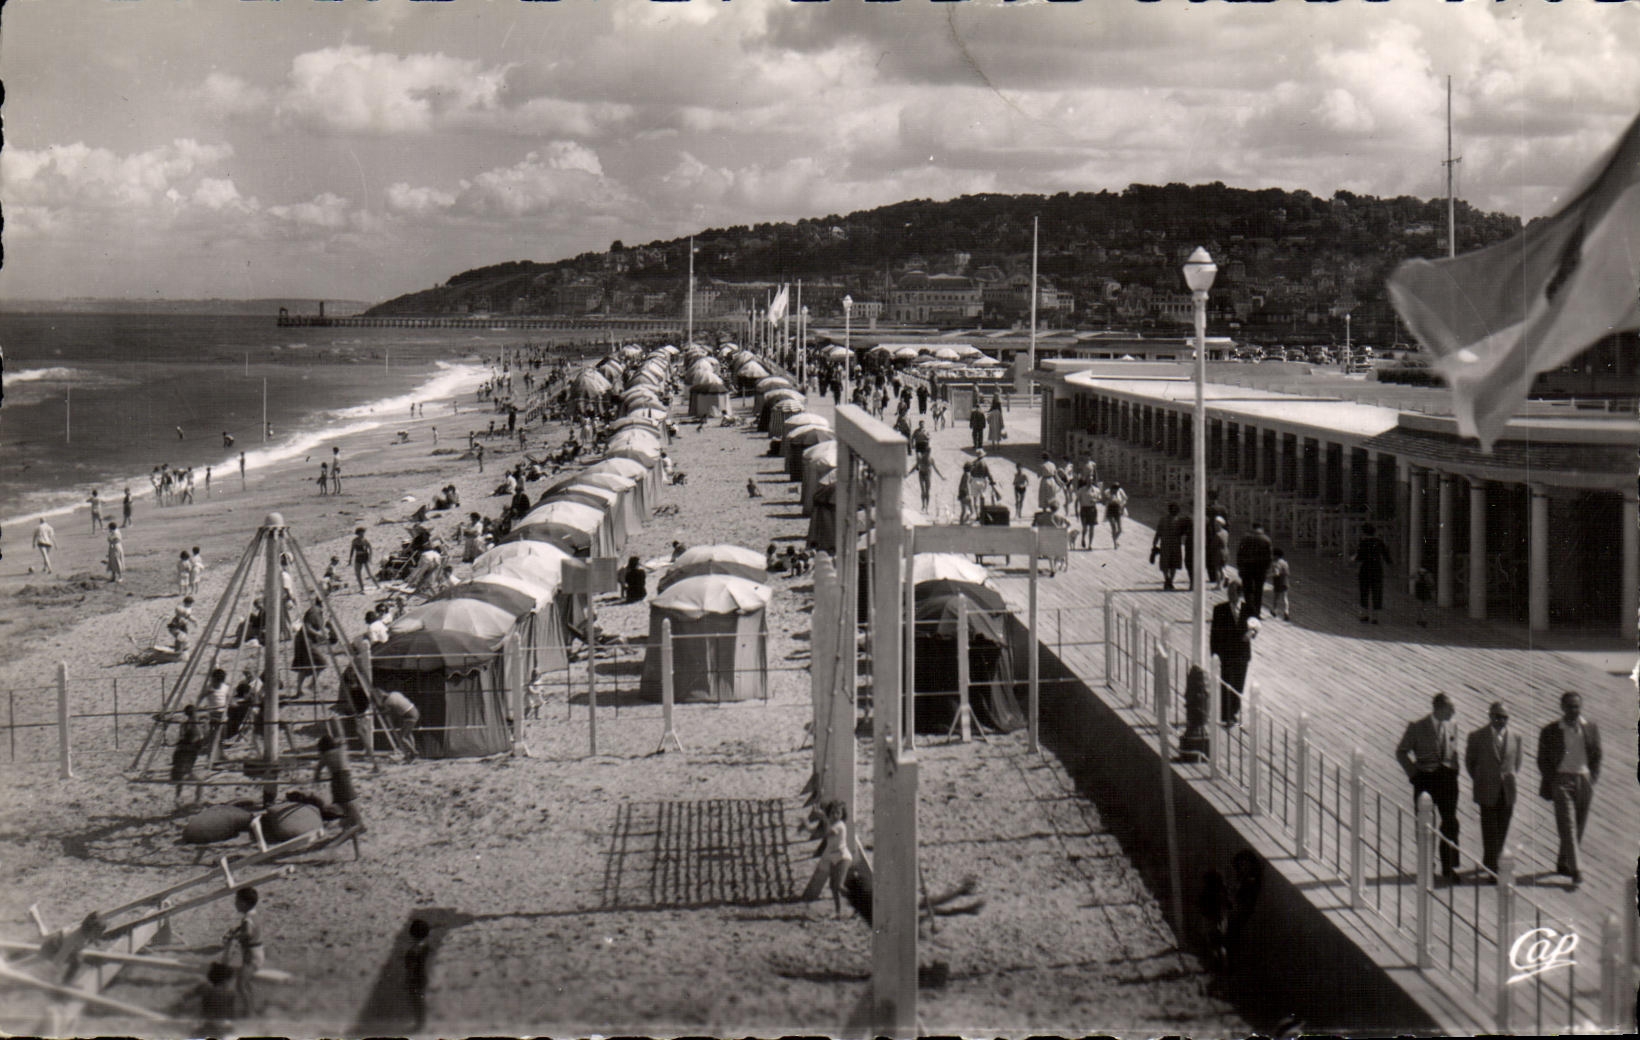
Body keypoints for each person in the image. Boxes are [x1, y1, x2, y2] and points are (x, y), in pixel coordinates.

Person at [1535, 690, 1601, 887]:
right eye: (1570, 706)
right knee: (1567, 824)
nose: (1574, 710)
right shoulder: (1550, 731)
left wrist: (1592, 778)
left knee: (1578, 825)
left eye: (1577, 706)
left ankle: (1564, 863)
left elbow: (1597, 755)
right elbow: (1542, 759)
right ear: (1562, 707)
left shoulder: (1590, 728)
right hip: (1561, 780)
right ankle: (1577, 870)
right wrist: (1553, 779)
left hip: (1584, 779)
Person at [1395, 692, 1462, 883]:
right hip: (1425, 778)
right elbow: (1401, 752)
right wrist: (1414, 775)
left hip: (1447, 779)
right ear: (1438, 708)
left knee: (1450, 822)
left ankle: (1449, 867)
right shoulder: (1417, 727)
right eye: (1450, 708)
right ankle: (1426, 864)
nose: (1454, 712)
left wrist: (1455, 770)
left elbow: (1453, 750)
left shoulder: (1452, 725)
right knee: (1424, 823)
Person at [1465, 700, 1523, 879]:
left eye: (1504, 717)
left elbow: (1517, 762)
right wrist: (1482, 778)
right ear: (1490, 716)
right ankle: (1492, 866)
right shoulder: (1477, 736)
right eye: (1497, 717)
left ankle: (1491, 860)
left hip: (1507, 789)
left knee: (1503, 827)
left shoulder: (1516, 737)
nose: (1500, 721)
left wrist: (1508, 777)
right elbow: (1470, 762)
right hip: (1487, 788)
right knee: (1489, 828)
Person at [1209, 580, 1255, 726]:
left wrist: (1252, 633)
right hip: (1226, 653)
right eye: (1229, 592)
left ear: (1240, 594)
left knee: (1238, 685)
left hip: (1242, 653)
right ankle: (1226, 714)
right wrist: (1214, 654)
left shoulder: (1248, 609)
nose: (1230, 595)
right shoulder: (1220, 609)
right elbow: (1214, 633)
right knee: (1226, 683)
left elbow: (1256, 625)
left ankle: (1234, 711)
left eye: (1233, 593)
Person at [802, 800, 854, 918]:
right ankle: (838, 912)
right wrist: (806, 826)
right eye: (833, 813)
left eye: (838, 813)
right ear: (830, 814)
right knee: (833, 887)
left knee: (839, 886)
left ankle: (859, 903)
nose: (835, 815)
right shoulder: (831, 823)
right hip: (834, 857)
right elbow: (817, 832)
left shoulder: (840, 825)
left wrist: (823, 817)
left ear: (842, 815)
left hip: (843, 857)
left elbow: (828, 833)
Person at [222, 887, 264, 1015]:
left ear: (243, 903)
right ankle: (251, 1007)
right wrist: (237, 929)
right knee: (246, 983)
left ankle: (249, 1012)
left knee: (241, 984)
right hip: (256, 953)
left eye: (236, 901)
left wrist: (233, 937)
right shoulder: (253, 914)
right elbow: (247, 928)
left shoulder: (247, 919)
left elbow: (248, 934)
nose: (235, 904)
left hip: (252, 956)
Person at [314, 734, 364, 833]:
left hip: (336, 779)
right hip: (346, 776)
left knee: (343, 802)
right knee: (350, 801)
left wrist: (317, 779)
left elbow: (318, 771)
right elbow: (342, 742)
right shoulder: (341, 751)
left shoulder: (325, 756)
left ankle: (355, 824)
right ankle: (353, 823)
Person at [1352, 523, 1393, 624]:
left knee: (1364, 592)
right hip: (1377, 569)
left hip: (1365, 569)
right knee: (1377, 593)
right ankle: (1375, 617)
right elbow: (1386, 556)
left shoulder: (1363, 543)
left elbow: (1359, 557)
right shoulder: (1379, 542)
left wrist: (1353, 559)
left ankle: (1364, 614)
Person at [171, 704, 206, 808]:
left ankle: (177, 798)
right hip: (188, 753)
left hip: (181, 752)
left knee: (181, 776)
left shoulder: (185, 725)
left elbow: (183, 737)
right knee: (197, 781)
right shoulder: (195, 726)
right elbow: (199, 738)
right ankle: (197, 801)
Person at [1235, 522, 1273, 618]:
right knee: (1258, 591)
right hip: (1260, 569)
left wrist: (1240, 567)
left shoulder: (1245, 538)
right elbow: (1269, 557)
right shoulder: (1266, 540)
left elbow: (1240, 554)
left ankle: (1250, 611)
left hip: (1247, 567)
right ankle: (1257, 612)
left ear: (1252, 528)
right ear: (1261, 529)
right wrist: (1267, 568)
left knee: (1248, 590)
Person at [292, 600, 328, 698]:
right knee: (322, 663)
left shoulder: (318, 611)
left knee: (304, 667)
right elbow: (307, 627)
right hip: (305, 641)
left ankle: (300, 690)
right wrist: (320, 634)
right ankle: (311, 686)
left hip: (305, 641)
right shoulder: (314, 611)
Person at [1151, 502, 1187, 590]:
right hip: (1175, 545)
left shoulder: (1163, 520)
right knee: (1173, 564)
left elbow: (1158, 533)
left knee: (1166, 564)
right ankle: (1169, 581)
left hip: (1166, 545)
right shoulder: (1179, 521)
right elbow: (1184, 533)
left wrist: (1155, 543)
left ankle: (1168, 579)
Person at [403, 918, 432, 1031]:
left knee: (416, 1000)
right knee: (421, 999)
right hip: (423, 976)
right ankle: (422, 1022)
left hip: (415, 978)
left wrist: (407, 979)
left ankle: (419, 1024)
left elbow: (410, 968)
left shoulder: (412, 951)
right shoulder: (426, 948)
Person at [379, 687, 421, 761]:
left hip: (409, 716)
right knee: (408, 734)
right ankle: (412, 753)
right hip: (414, 711)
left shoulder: (388, 702)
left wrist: (383, 711)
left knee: (402, 737)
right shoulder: (395, 693)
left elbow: (388, 712)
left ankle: (414, 752)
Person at [350, 527, 379, 593]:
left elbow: (370, 548)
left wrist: (370, 557)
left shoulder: (365, 540)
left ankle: (377, 585)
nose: (362, 534)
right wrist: (350, 559)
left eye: (363, 533)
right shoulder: (354, 541)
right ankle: (362, 587)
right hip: (358, 557)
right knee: (358, 574)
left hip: (364, 556)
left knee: (369, 573)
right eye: (361, 533)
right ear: (358, 534)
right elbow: (352, 550)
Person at [1075, 479, 1101, 550]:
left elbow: (1099, 498)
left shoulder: (1096, 490)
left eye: (1091, 481)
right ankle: (1083, 538)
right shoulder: (1081, 490)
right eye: (1088, 480)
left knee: (1092, 528)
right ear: (1086, 481)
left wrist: (1096, 500)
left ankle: (1090, 544)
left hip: (1092, 509)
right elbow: (1077, 500)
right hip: (1084, 509)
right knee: (1085, 527)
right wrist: (1076, 512)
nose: (1089, 482)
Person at [1269, 547, 1291, 621]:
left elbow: (1276, 573)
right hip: (1285, 581)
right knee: (1285, 598)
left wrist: (1267, 576)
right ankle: (1286, 611)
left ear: (1276, 556)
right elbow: (1288, 572)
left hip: (1278, 582)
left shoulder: (1275, 563)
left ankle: (1274, 610)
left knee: (1276, 597)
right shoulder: (1285, 563)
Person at [1104, 481, 1126, 549]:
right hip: (1110, 510)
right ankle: (1115, 543)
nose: (1115, 490)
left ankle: (1115, 540)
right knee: (1113, 526)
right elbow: (1107, 499)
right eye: (1114, 489)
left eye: (1117, 489)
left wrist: (1122, 505)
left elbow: (1125, 498)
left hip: (1117, 510)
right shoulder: (1108, 492)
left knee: (1120, 529)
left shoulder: (1120, 491)